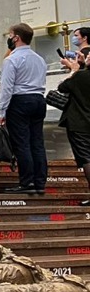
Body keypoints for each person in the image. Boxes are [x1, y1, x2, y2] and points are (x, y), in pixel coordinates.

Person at [0, 23, 50, 195]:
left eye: (10, 35)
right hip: (38, 98)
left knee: (22, 143)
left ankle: (26, 181)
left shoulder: (11, 59)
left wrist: (1, 111)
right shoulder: (39, 58)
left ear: (16, 38)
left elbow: (7, 88)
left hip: (19, 100)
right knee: (37, 142)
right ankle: (40, 181)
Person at [59, 51, 90, 205]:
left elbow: (62, 87)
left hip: (80, 123)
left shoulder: (80, 76)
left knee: (86, 157)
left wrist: (74, 70)